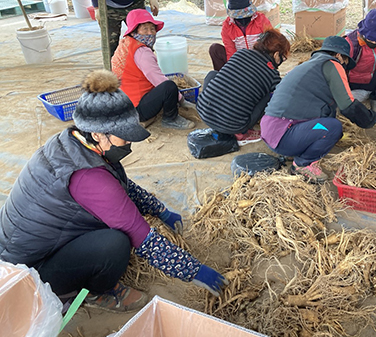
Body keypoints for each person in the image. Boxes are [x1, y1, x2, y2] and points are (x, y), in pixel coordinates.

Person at [0, 71, 227, 313]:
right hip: (31, 273)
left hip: (20, 247)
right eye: (124, 137)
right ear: (98, 134)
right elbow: (145, 239)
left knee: (110, 224)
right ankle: (94, 293)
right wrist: (195, 271)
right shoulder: (87, 177)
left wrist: (160, 210)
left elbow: (122, 186)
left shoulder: (76, 142)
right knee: (115, 242)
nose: (128, 143)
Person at [261, 36, 376, 183]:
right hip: (285, 136)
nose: (345, 66)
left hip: (271, 131)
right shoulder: (332, 65)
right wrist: (370, 119)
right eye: (346, 62)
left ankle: (295, 148)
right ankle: (303, 164)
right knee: (333, 127)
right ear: (339, 56)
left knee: (327, 122)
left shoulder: (307, 66)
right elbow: (348, 106)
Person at [198, 29, 289, 146]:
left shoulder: (240, 53)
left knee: (213, 75)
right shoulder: (273, 76)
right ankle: (243, 133)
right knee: (269, 96)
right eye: (283, 57)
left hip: (204, 112)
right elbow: (281, 98)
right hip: (233, 126)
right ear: (276, 55)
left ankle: (217, 105)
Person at [112, 9, 195, 130]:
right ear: (135, 31)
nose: (150, 33)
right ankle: (171, 119)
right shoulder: (141, 52)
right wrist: (181, 100)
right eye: (144, 29)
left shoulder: (125, 43)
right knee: (168, 86)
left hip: (123, 105)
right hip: (136, 110)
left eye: (152, 29)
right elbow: (158, 79)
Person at [209, 0, 272, 71]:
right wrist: (235, 69)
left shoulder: (261, 20)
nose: (243, 21)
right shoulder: (227, 26)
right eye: (239, 18)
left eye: (247, 16)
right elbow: (230, 51)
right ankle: (222, 78)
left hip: (260, 61)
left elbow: (270, 44)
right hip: (240, 61)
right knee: (215, 49)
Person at [91, 0, 158, 58]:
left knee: (145, 36)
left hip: (135, 4)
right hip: (109, 7)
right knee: (110, 43)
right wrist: (96, 7)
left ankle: (147, 64)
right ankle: (111, 70)